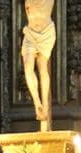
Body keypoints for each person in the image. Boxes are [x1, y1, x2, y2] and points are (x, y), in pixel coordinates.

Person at [21, 0, 55, 129]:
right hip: (30, 33)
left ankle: (45, 105)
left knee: (42, 66)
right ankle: (37, 102)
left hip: (46, 32)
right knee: (28, 66)